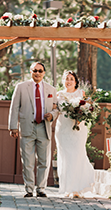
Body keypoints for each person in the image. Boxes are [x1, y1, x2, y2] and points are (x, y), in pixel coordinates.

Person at [9, 61, 57, 197]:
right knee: (27, 161)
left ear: (44, 73)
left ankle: (41, 189)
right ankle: (29, 189)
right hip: (27, 127)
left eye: (40, 71)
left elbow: (56, 108)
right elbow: (14, 108)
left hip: (44, 127)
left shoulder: (51, 90)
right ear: (30, 72)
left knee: (44, 161)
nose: (37, 73)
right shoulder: (21, 87)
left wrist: (52, 115)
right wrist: (13, 127)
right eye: (34, 70)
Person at [54, 70, 97, 198]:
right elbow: (56, 110)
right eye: (66, 78)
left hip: (78, 128)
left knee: (78, 155)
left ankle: (77, 189)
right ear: (63, 81)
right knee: (65, 157)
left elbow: (86, 108)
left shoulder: (81, 93)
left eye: (71, 79)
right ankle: (67, 188)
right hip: (63, 129)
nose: (69, 81)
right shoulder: (59, 94)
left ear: (76, 81)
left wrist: (82, 114)